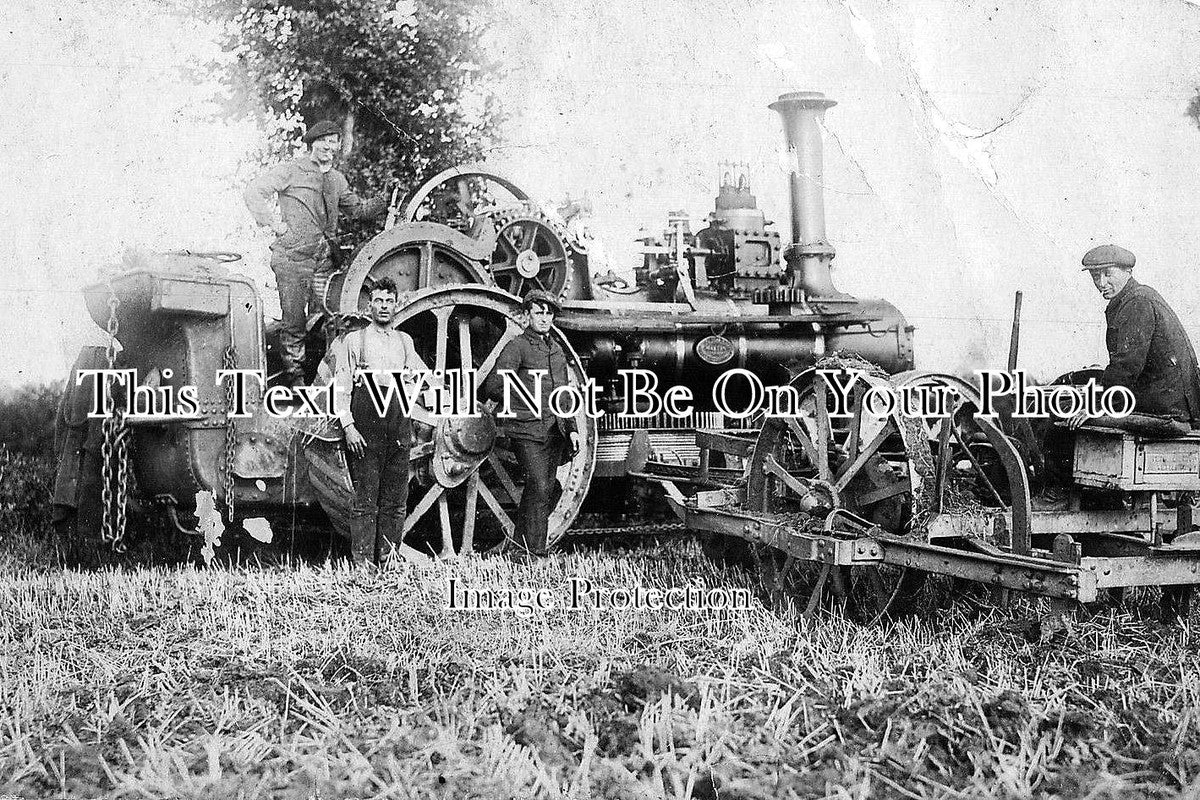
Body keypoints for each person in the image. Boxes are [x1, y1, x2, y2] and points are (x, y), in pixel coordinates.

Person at [1035, 244, 1200, 510]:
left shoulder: (1136, 303)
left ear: (1127, 271)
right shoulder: (1136, 299)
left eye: (1107, 274)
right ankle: (1101, 497)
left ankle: (1058, 495)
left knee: (1061, 412)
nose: (1101, 282)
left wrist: (1094, 405)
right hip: (1166, 407)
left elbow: (1126, 366)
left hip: (1164, 415)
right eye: (1094, 276)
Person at [244, 120, 388, 387]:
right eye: (324, 141)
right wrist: (273, 223)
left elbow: (357, 210)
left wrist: (383, 201)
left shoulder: (336, 179)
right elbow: (254, 191)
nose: (329, 147)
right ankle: (295, 380)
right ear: (312, 143)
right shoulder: (291, 170)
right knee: (294, 321)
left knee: (330, 318)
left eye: (334, 142)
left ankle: (325, 379)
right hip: (293, 259)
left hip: (324, 263)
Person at [481, 291, 580, 559]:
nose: (545, 318)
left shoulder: (556, 351)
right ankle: (536, 553)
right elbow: (495, 385)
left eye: (549, 313)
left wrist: (571, 429)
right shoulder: (517, 346)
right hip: (526, 431)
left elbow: (564, 394)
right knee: (539, 485)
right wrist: (527, 401)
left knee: (544, 488)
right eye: (539, 312)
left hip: (554, 432)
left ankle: (521, 549)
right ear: (527, 316)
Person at [328, 277, 420, 565]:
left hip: (398, 424)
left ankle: (389, 559)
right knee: (366, 499)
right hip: (366, 426)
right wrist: (349, 426)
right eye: (378, 301)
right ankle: (363, 561)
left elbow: (422, 377)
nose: (384, 306)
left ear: (396, 304)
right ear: (370, 305)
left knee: (395, 500)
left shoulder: (405, 341)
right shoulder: (355, 341)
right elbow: (340, 386)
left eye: (389, 301)